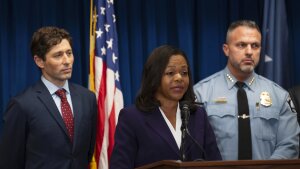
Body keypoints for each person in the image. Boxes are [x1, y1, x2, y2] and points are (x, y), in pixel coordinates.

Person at [194, 20, 300, 160]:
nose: (249, 52)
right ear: (226, 49)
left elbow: (289, 145)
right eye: (241, 45)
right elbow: (195, 148)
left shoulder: (280, 96)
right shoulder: (201, 94)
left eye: (255, 46)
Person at [0, 27, 97, 169]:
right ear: (39, 61)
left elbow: (87, 153)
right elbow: (10, 162)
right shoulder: (22, 105)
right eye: (58, 55)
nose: (67, 61)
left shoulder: (87, 98)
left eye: (69, 53)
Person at [110, 45, 221, 169]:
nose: (179, 78)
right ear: (154, 77)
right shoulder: (132, 118)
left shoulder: (198, 115)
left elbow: (215, 162)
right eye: (170, 73)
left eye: (184, 73)